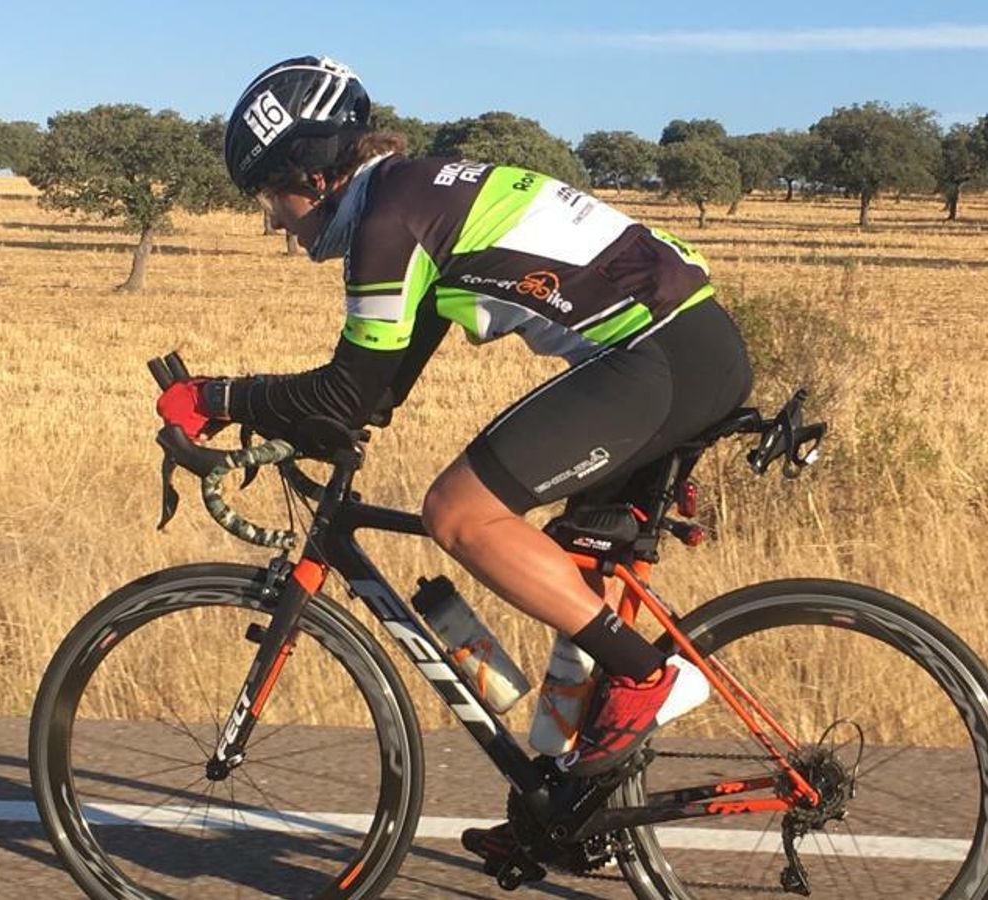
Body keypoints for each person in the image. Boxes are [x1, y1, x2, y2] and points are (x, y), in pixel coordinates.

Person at [156, 55, 753, 860]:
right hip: (684, 346)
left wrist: (216, 398)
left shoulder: (388, 223)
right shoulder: (412, 197)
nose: (273, 220)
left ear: (314, 173)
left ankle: (646, 676)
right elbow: (373, 397)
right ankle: (572, 809)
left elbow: (343, 394)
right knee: (575, 564)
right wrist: (280, 431)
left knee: (458, 514)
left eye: (272, 195)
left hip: (656, 357)